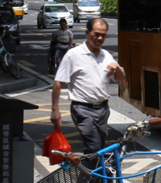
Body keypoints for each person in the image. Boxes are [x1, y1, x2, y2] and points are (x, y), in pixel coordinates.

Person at [51, 18, 125, 154]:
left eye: (103, 35)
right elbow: (58, 82)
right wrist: (55, 110)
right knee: (94, 147)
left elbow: (121, 81)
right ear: (87, 33)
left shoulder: (106, 55)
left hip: (102, 109)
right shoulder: (74, 55)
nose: (99, 38)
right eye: (96, 34)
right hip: (82, 109)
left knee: (99, 148)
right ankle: (94, 175)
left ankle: (91, 175)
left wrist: (118, 68)